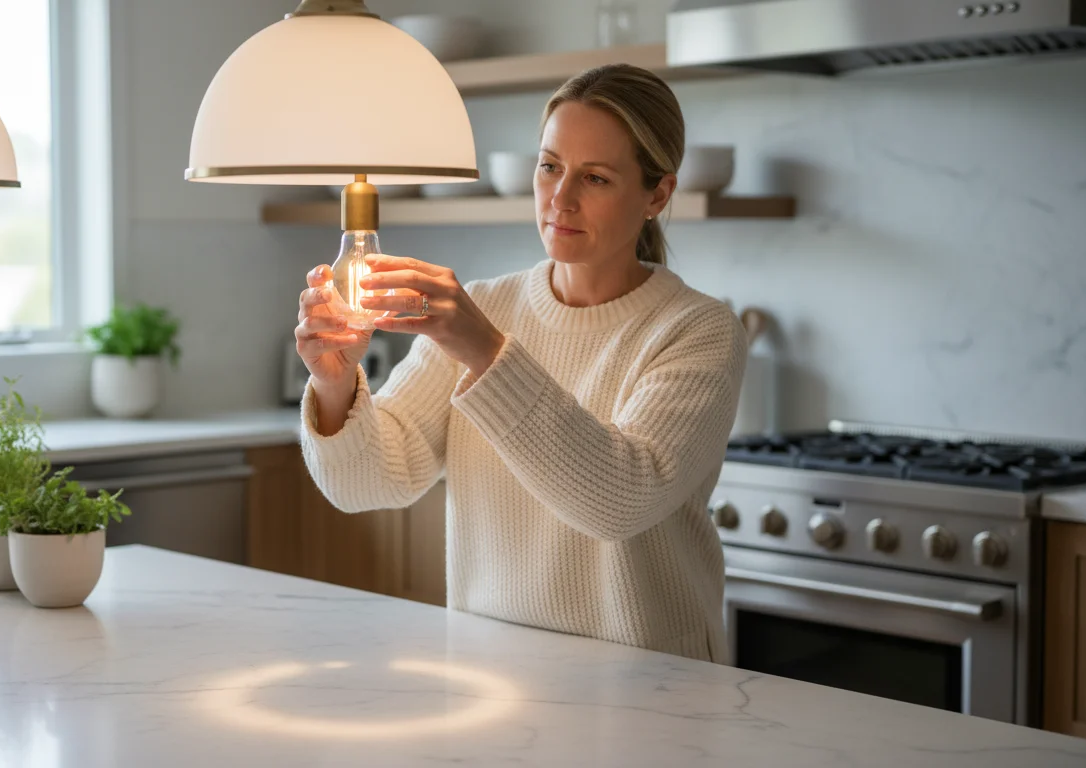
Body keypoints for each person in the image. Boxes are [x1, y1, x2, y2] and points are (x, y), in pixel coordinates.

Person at [292, 64, 747, 663]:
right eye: (550, 166)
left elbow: (619, 502)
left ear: (657, 194)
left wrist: (483, 348)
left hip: (651, 686)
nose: (561, 198)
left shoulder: (698, 329)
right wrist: (334, 383)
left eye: (597, 178)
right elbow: (367, 482)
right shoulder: (484, 306)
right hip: (495, 676)